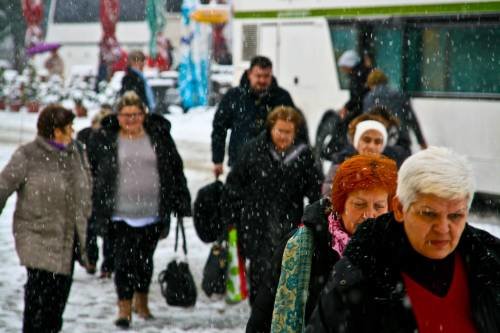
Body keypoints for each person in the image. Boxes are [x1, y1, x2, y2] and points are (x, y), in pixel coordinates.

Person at [307, 146, 500, 332]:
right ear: (399, 208)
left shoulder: (490, 266)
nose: (442, 228)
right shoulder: (358, 279)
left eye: (456, 216)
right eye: (428, 214)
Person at [246, 154, 398, 333]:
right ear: (340, 205)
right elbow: (263, 315)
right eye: (359, 204)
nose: (369, 215)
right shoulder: (301, 245)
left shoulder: (397, 251)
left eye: (379, 207)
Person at [87, 91, 191, 328]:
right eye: (126, 115)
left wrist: (181, 201)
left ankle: (141, 302)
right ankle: (124, 308)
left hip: (152, 212)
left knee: (145, 261)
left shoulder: (159, 137)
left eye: (135, 114)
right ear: (118, 116)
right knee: (123, 261)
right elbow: (93, 171)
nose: (131, 119)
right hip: (119, 213)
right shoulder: (107, 139)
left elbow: (175, 168)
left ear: (144, 115)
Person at [0, 105, 92, 332]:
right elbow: (3, 186)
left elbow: (87, 189)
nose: (72, 133)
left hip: (68, 240)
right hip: (37, 239)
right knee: (39, 304)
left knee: (56, 307)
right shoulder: (28, 155)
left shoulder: (76, 154)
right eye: (68, 128)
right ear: (55, 131)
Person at [222, 106, 322, 303]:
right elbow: (234, 187)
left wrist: (315, 220)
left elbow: (314, 191)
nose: (283, 136)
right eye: (280, 131)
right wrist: (231, 219)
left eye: (288, 132)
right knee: (260, 276)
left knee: (286, 275)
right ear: (270, 129)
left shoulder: (304, 155)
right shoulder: (252, 150)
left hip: (290, 223)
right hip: (256, 223)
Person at [211, 55, 309, 177]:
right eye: (258, 76)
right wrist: (217, 160)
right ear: (249, 74)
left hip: (275, 166)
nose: (262, 80)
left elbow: (297, 129)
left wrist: (301, 160)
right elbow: (219, 128)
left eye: (266, 76)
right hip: (240, 163)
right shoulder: (234, 96)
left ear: (271, 75)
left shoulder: (282, 97)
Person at [321, 112, 408, 196]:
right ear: (357, 142)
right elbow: (329, 193)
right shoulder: (342, 162)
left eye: (377, 142)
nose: (371, 146)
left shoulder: (393, 165)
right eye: (367, 140)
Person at [77, 105, 114, 276]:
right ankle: (96, 262)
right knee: (94, 229)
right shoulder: (87, 138)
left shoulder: (107, 139)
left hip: (102, 190)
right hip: (95, 190)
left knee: (103, 231)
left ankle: (101, 263)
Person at [363, 68, 428, 153]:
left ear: (371, 84)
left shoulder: (369, 98)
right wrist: (421, 142)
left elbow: (365, 122)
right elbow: (412, 119)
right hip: (401, 140)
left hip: (379, 141)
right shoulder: (399, 94)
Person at [337, 49, 371, 122]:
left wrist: (346, 107)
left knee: (345, 123)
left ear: (349, 64)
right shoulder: (361, 72)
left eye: (344, 67)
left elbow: (357, 96)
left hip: (363, 109)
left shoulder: (357, 76)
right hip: (366, 107)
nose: (343, 70)